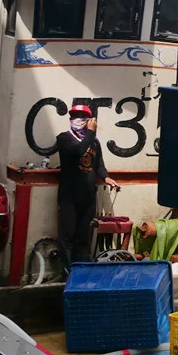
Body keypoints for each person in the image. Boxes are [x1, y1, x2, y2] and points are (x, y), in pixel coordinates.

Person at [55, 104, 117, 272]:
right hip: (69, 197)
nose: (79, 119)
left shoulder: (94, 143)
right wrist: (91, 132)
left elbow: (100, 165)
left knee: (83, 238)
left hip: (88, 198)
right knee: (67, 237)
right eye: (75, 116)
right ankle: (67, 274)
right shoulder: (64, 138)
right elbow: (78, 151)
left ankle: (82, 273)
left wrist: (107, 177)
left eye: (83, 116)